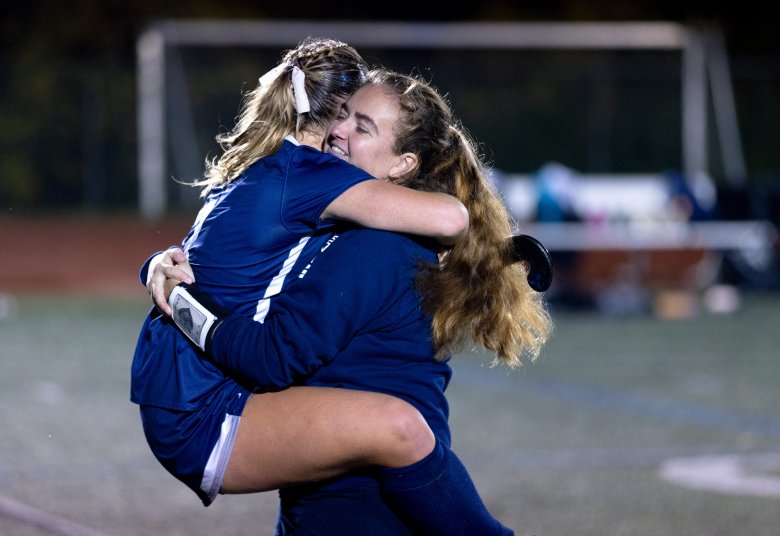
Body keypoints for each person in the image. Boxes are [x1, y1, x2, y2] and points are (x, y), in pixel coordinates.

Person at [130, 37, 514, 533]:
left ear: (404, 164)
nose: (339, 132)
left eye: (362, 126)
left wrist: (165, 281)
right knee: (397, 427)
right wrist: (172, 288)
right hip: (202, 409)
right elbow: (452, 218)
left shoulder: (322, 200)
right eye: (342, 116)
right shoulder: (323, 192)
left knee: (396, 428)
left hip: (195, 404)